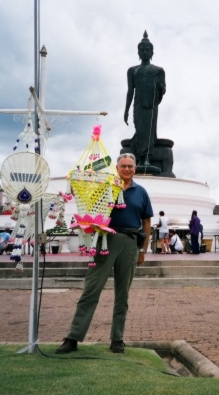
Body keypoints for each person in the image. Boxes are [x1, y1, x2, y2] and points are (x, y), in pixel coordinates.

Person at [55, 153, 153, 354]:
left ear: (135, 168)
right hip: (105, 240)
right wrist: (74, 182)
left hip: (130, 243)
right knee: (91, 289)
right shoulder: (105, 185)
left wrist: (143, 250)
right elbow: (82, 192)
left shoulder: (141, 192)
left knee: (122, 294)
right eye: (123, 165)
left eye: (130, 166)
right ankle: (73, 337)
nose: (127, 169)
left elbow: (147, 223)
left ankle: (117, 339)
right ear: (116, 168)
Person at [124, 31, 166, 167]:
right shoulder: (132, 70)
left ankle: (146, 159)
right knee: (140, 129)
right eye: (142, 50)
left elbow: (163, 90)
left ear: (152, 53)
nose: (145, 52)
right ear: (138, 53)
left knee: (149, 130)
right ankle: (139, 158)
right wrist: (126, 110)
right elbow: (130, 91)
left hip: (151, 105)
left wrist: (160, 88)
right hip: (139, 104)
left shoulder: (158, 71)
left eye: (148, 50)